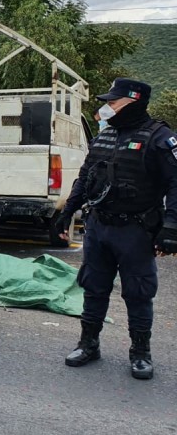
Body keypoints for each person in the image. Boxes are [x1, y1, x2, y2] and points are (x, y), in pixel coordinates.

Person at [55, 78, 177, 380]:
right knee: (93, 286)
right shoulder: (104, 137)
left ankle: (140, 353)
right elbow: (85, 176)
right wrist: (67, 211)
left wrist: (172, 227)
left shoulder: (159, 138)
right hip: (99, 227)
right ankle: (88, 344)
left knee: (138, 292)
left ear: (134, 102)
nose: (107, 108)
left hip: (135, 231)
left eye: (113, 103)